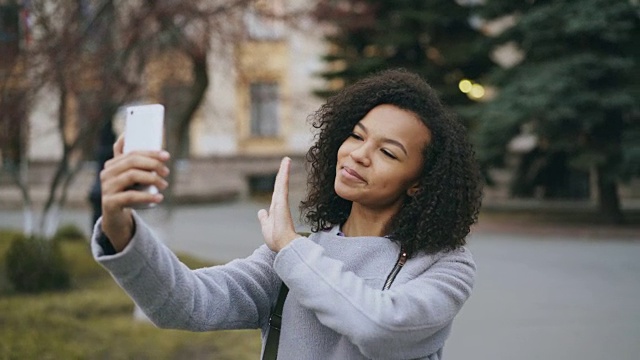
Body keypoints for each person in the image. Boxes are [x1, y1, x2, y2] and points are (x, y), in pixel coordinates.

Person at [91, 68, 483, 360]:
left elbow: (380, 327)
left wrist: (290, 248)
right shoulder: (296, 253)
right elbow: (183, 302)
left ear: (418, 182)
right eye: (358, 135)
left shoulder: (443, 265)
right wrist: (118, 224)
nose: (359, 154)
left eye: (388, 152)